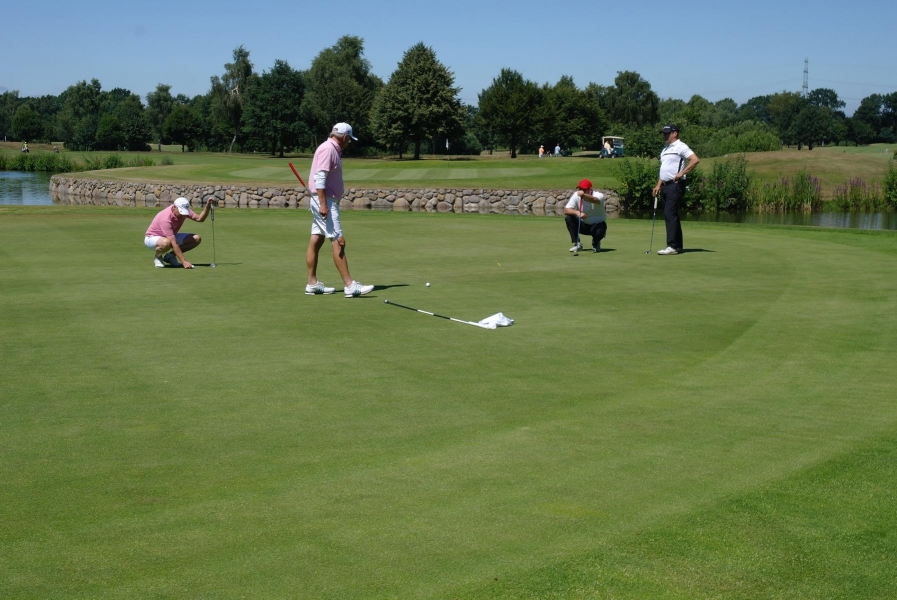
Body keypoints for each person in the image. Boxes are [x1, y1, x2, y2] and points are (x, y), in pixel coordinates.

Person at [306, 122, 374, 297]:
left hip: (324, 200)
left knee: (317, 239)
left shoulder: (331, 149)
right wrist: (323, 204)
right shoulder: (328, 149)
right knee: (338, 240)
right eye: (349, 139)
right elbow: (320, 177)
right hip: (325, 202)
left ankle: (312, 283)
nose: (348, 143)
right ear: (344, 137)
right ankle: (350, 285)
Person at [651, 124, 699, 255]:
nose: (664, 135)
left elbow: (695, 160)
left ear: (675, 133)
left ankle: (672, 246)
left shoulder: (681, 146)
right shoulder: (665, 149)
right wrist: (658, 185)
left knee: (669, 213)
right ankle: (678, 246)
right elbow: (664, 169)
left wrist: (682, 173)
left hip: (676, 185)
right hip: (665, 186)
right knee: (672, 215)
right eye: (664, 133)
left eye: (667, 133)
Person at [144, 196, 214, 269]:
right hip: (152, 238)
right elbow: (174, 243)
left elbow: (199, 218)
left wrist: (208, 206)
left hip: (169, 236)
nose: (182, 214)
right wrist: (184, 261)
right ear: (174, 207)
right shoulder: (165, 219)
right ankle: (158, 257)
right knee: (166, 243)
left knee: (196, 239)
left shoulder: (185, 210)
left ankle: (170, 256)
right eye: (180, 211)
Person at [563, 179, 607, 253]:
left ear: (590, 189)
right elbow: (566, 210)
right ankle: (577, 243)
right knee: (569, 218)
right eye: (580, 189)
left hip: (597, 227)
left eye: (583, 189)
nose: (581, 191)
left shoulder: (599, 195)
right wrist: (577, 213)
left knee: (601, 227)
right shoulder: (577, 195)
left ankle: (595, 244)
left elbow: (594, 200)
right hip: (583, 226)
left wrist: (583, 195)